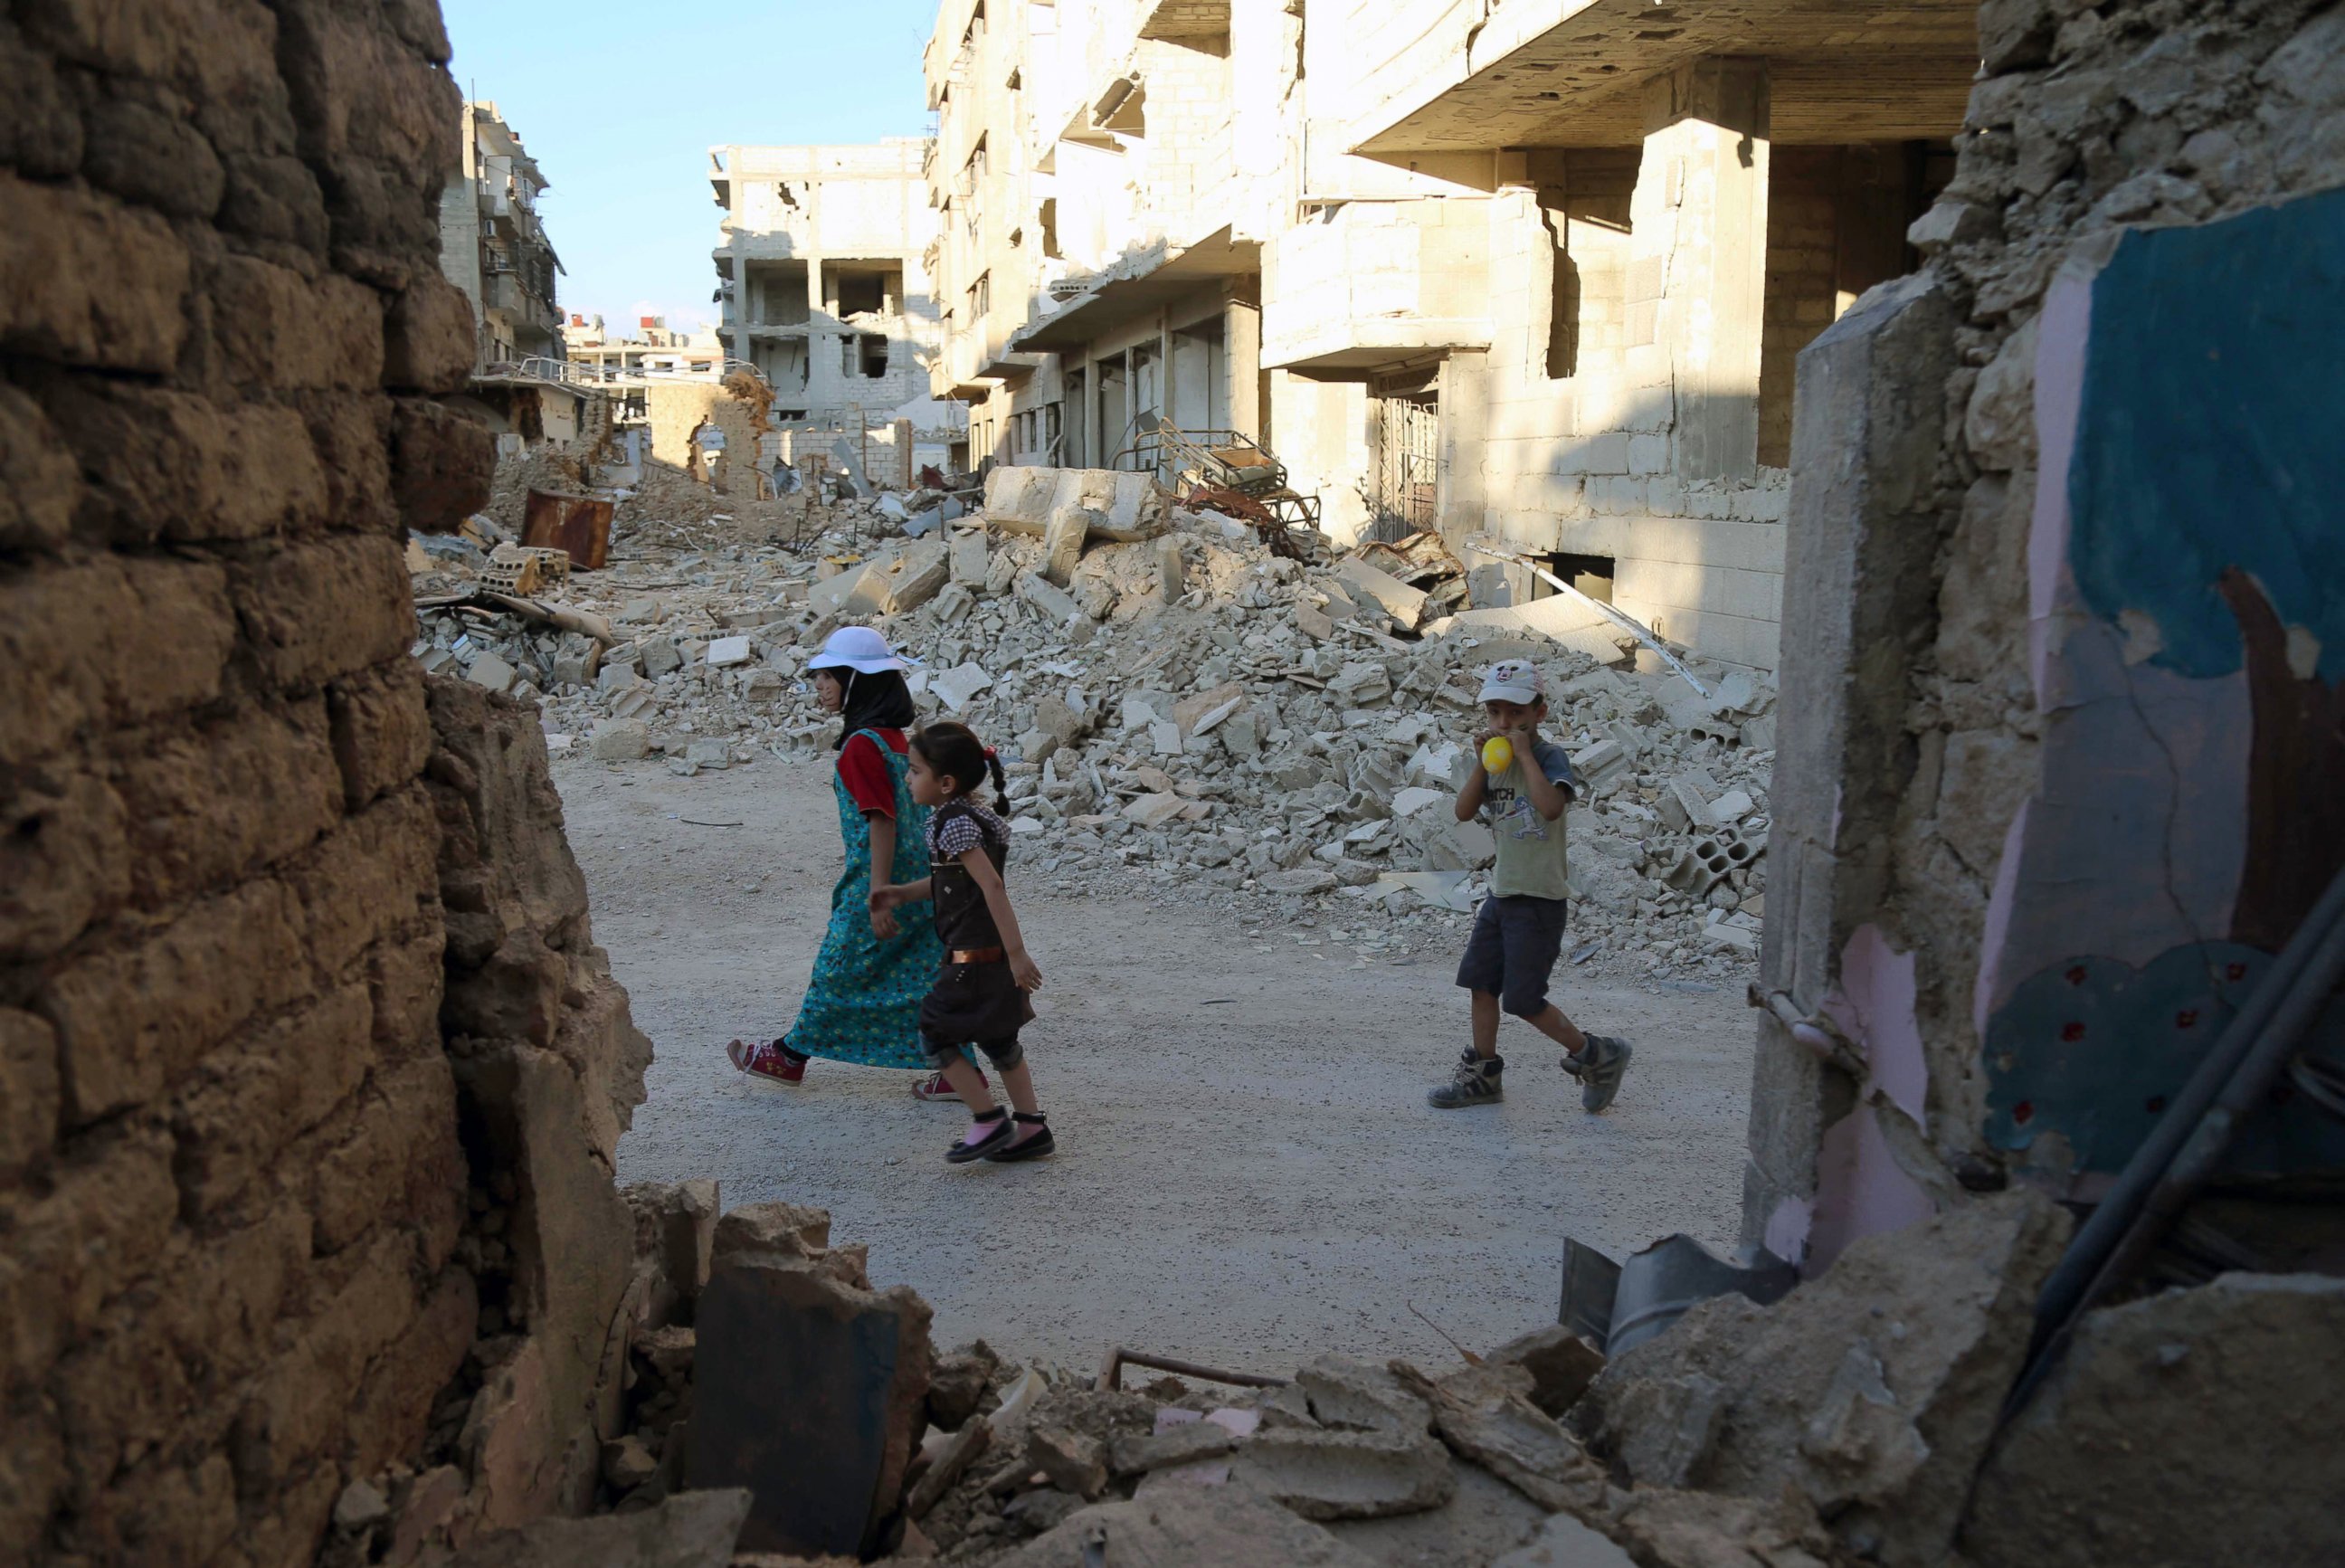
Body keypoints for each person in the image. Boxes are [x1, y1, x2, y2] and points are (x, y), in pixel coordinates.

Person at [726, 627, 965, 1098]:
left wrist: (878, 893)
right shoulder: (896, 739)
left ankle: (790, 1055)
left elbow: (882, 820)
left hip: (880, 876)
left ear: (857, 681)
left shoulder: (862, 746)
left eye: (829, 677)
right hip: (919, 872)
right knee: (919, 974)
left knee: (839, 965)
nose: (820, 686)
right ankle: (960, 1072)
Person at [1428, 659, 1635, 1113]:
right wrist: (1484, 764)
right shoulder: (1493, 760)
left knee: (1522, 998)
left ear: (1539, 713)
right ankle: (1483, 1077)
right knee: (1481, 985)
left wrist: (1523, 754)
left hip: (1539, 900)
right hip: (1502, 895)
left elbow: (1550, 809)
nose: (1505, 723)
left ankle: (1597, 1055)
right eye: (1495, 713)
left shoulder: (1548, 757)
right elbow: (1463, 814)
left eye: (1516, 714)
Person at [870, 721, 1054, 1164]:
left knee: (934, 1031)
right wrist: (900, 893)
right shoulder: (975, 817)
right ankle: (1030, 1127)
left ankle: (989, 1120)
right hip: (986, 957)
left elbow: (991, 887)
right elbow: (953, 883)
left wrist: (1017, 954)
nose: (907, 779)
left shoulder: (951, 824)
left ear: (945, 782)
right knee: (998, 1040)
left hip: (973, 958)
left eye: (914, 771)